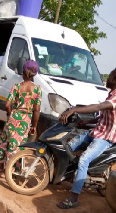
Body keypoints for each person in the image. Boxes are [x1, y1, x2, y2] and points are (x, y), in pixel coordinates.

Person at [57, 69, 116, 209]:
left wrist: (75, 109)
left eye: (111, 75)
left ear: (115, 79)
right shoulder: (111, 94)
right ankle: (66, 175)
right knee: (68, 146)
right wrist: (87, 121)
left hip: (105, 138)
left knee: (84, 159)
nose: (107, 77)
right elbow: (104, 115)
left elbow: (99, 106)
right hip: (96, 132)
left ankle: (74, 198)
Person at [0, 60, 42, 177]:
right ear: (34, 74)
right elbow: (37, 110)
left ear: (23, 72)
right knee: (18, 145)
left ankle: (2, 166)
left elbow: (7, 105)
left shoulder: (16, 87)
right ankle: (10, 170)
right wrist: (35, 125)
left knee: (6, 141)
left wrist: (9, 114)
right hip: (25, 120)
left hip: (14, 116)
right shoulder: (37, 89)